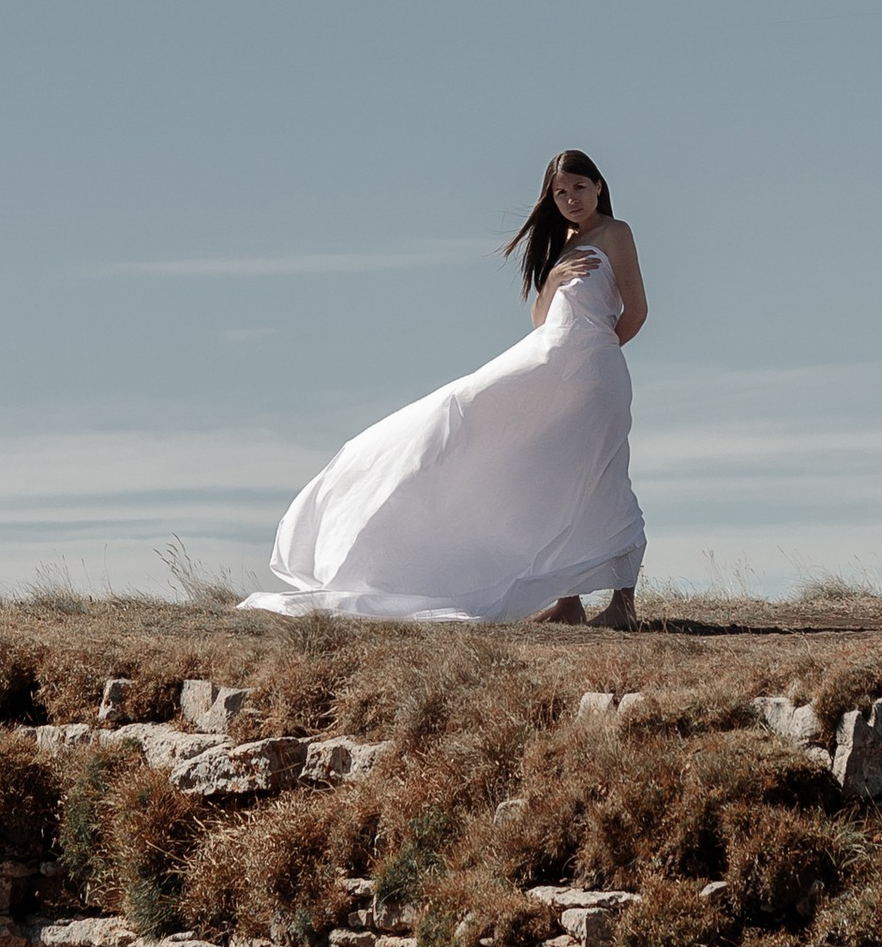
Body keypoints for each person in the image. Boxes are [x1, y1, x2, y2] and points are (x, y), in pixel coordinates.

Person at [240, 149, 648, 627]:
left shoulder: (616, 233)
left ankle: (623, 605)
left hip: (592, 373)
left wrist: (592, 354)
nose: (571, 199)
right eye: (560, 192)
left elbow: (635, 311)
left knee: (603, 474)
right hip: (546, 367)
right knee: (533, 471)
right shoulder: (560, 244)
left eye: (579, 188)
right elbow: (541, 321)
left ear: (598, 186)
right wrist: (552, 280)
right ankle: (567, 602)